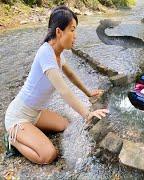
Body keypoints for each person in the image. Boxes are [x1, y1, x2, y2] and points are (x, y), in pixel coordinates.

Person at [4, 5, 108, 164]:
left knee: (65, 125)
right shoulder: (45, 53)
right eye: (72, 30)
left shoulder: (57, 54)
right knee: (48, 155)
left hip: (36, 113)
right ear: (59, 32)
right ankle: (13, 139)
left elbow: (71, 75)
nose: (75, 36)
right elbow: (64, 90)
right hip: (18, 117)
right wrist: (87, 114)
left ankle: (30, 133)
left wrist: (88, 93)